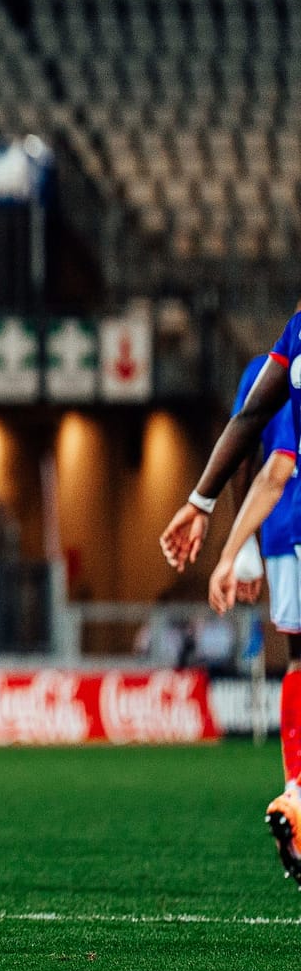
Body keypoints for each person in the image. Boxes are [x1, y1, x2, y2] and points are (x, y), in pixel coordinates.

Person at [178, 333, 301, 887]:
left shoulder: (284, 347)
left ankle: (297, 789)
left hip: (284, 528)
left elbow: (265, 453)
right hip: (281, 523)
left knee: (298, 659)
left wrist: (234, 547)